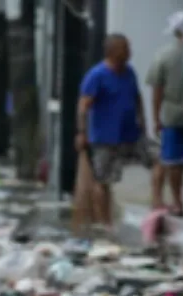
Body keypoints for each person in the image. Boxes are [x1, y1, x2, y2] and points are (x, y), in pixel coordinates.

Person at [76, 34, 153, 232]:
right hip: (104, 138)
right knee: (103, 181)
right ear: (114, 51)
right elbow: (84, 106)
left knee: (159, 161)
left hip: (131, 135)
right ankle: (105, 223)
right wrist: (81, 132)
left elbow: (137, 98)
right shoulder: (97, 75)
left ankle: (158, 205)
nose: (130, 52)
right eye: (126, 48)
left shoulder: (129, 73)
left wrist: (143, 122)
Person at [147, 12, 183, 216]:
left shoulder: (164, 55)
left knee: (174, 162)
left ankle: (177, 202)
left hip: (172, 117)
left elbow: (157, 91)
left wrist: (156, 118)